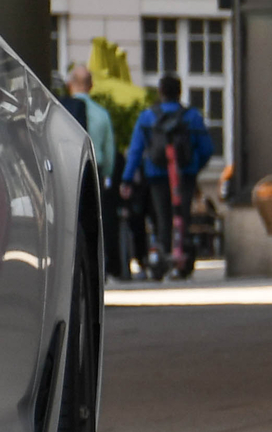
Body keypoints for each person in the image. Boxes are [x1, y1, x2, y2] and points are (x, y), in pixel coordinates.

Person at [120, 73, 215, 280]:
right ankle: (182, 257)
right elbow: (207, 148)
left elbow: (135, 151)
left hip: (157, 175)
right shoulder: (192, 117)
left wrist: (127, 180)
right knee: (182, 216)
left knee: (161, 218)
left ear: (160, 92)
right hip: (185, 175)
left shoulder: (147, 117)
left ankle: (163, 257)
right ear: (179, 92)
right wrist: (193, 166)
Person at [65, 65, 124, 278]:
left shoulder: (65, 112)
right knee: (96, 223)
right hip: (96, 170)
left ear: (70, 84)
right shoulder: (101, 114)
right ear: (91, 85)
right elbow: (109, 151)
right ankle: (98, 268)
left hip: (70, 170)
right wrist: (107, 175)